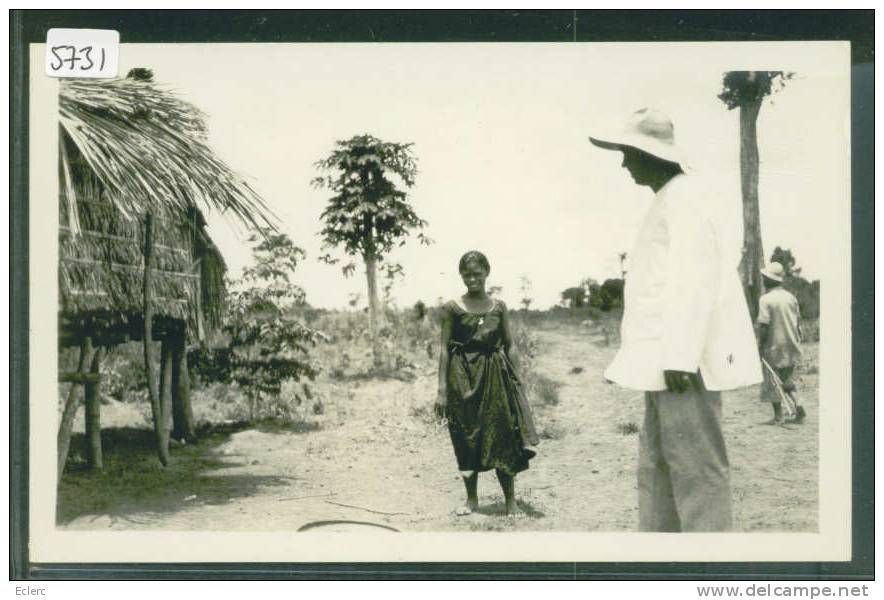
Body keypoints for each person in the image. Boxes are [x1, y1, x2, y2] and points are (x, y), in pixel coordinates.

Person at [589, 108, 762, 532]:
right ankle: (663, 561)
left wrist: (682, 357)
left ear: (652, 154)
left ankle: (708, 567)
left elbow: (693, 282)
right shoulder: (670, 200)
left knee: (696, 470)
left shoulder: (685, 200)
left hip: (683, 366)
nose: (625, 163)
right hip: (664, 364)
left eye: (629, 152)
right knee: (659, 463)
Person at [435, 251, 538, 516]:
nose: (472, 279)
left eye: (477, 273)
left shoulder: (499, 307)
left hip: (495, 375)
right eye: (466, 274)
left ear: (486, 273)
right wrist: (442, 391)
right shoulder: (451, 309)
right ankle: (472, 500)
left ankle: (510, 500)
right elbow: (445, 349)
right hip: (461, 377)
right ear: (461, 275)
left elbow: (510, 344)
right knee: (466, 435)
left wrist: (518, 379)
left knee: (503, 433)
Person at [757, 261, 806, 425]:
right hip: (791, 344)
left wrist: (759, 346)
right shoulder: (791, 297)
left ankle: (778, 416)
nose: (763, 279)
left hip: (774, 345)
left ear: (769, 280)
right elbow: (798, 322)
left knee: (772, 380)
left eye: (765, 277)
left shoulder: (765, 300)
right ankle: (798, 405)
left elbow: (764, 325)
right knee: (786, 379)